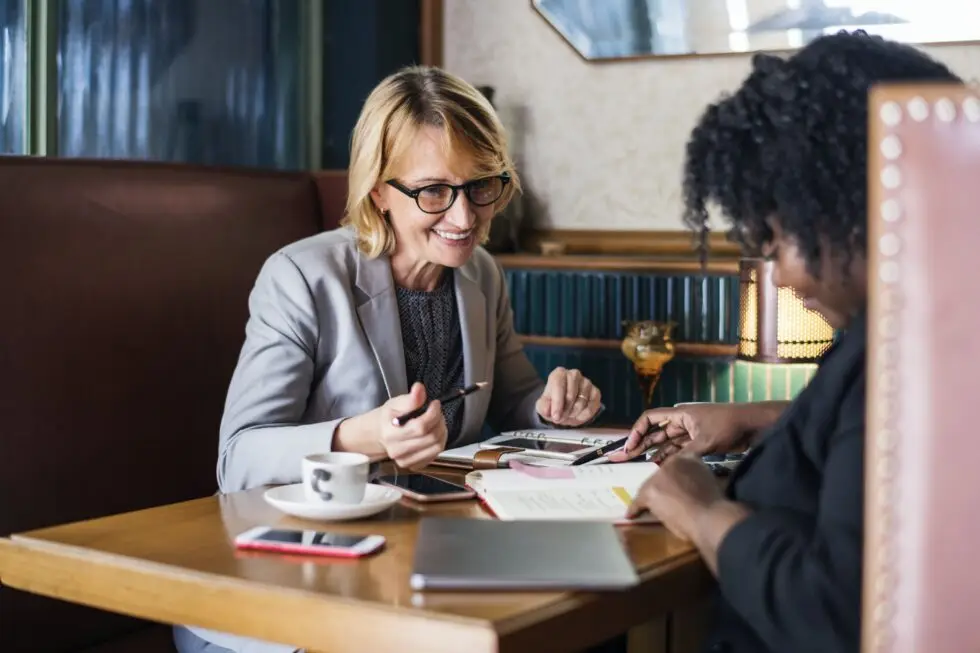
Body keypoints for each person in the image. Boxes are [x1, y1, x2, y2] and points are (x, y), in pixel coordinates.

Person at [176, 66, 604, 653]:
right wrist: (363, 437)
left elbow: (514, 398)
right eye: (433, 191)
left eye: (483, 186)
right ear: (378, 189)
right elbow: (239, 459)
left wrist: (555, 405)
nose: (464, 217)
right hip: (286, 593)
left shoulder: (480, 272)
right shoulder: (302, 277)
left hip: (419, 567)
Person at [610, 32, 962, 653]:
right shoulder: (927, 331)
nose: (787, 278)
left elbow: (837, 613)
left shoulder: (897, 356)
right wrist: (757, 419)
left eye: (773, 243)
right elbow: (876, 449)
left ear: (836, 210)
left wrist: (701, 510)